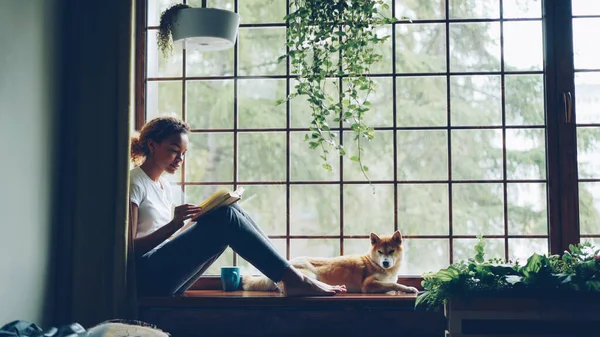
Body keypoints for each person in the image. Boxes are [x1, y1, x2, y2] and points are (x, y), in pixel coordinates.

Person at [129, 116, 347, 296]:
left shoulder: (164, 187)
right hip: (146, 279)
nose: (180, 159)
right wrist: (173, 225)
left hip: (163, 272)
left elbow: (167, 240)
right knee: (225, 217)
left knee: (229, 211)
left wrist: (196, 221)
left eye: (183, 154)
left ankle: (288, 278)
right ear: (151, 145)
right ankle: (293, 279)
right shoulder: (133, 183)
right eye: (174, 150)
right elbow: (128, 250)